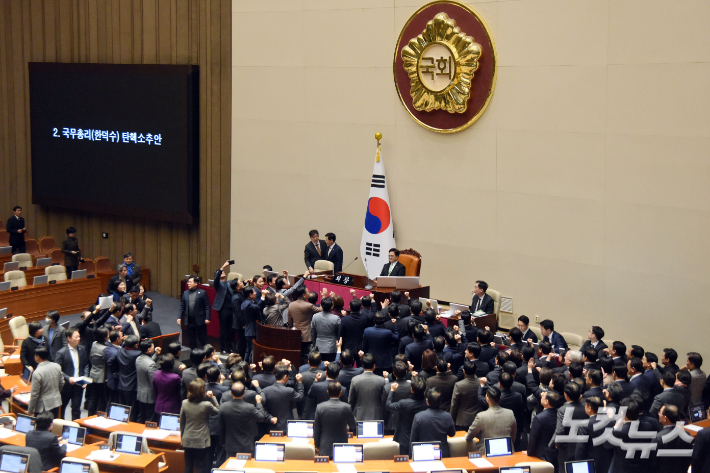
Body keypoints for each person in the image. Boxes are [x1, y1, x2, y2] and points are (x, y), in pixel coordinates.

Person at [218, 382, 275, 458]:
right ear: (244, 392)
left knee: (231, 468)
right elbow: (261, 417)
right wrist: (258, 402)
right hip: (246, 445)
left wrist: (222, 442)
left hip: (230, 445)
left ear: (231, 393)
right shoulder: (249, 407)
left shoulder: (223, 407)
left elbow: (221, 427)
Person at [180, 379, 219, 473]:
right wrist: (213, 397)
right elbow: (218, 410)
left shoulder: (184, 403)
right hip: (201, 440)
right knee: (200, 466)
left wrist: (183, 438)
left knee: (188, 466)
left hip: (188, 439)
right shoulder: (207, 405)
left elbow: (182, 422)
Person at [465, 386, 516, 452]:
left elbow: (469, 437)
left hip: (486, 454)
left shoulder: (481, 416)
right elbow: (513, 437)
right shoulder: (510, 413)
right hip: (507, 451)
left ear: (487, 399)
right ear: (500, 398)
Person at [314, 381, 356, 458]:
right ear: (340, 392)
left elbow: (316, 429)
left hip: (325, 447)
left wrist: (316, 445)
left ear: (328, 392)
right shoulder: (347, 407)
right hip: (341, 446)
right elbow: (353, 425)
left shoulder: (320, 407)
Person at [54, 327, 89, 420]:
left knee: (76, 409)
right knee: (62, 409)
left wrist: (85, 377)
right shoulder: (61, 353)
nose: (78, 339)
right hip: (66, 386)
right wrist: (68, 378)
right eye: (76, 337)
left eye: (79, 336)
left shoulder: (82, 349)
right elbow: (57, 370)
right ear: (69, 338)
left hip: (78, 385)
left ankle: (75, 429)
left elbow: (85, 364)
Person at [410, 388, 456, 457]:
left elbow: (413, 439)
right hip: (442, 454)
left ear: (427, 401)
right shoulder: (447, 416)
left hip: (424, 454)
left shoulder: (418, 417)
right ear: (440, 402)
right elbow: (452, 434)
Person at [553, 382, 588, 472]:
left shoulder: (562, 410)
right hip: (584, 446)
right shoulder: (586, 408)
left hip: (567, 449)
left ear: (566, 395)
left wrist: (558, 445)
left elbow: (560, 431)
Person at [108, 334, 141, 422]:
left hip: (121, 384)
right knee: (132, 410)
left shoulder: (120, 351)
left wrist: (116, 372)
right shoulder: (138, 354)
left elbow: (110, 362)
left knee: (122, 408)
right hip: (132, 387)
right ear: (135, 345)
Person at [261, 365, 304, 432]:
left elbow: (261, 408)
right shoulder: (289, 391)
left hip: (271, 426)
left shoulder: (265, 391)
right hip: (287, 427)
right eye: (288, 376)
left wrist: (269, 417)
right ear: (285, 377)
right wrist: (300, 383)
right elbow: (300, 397)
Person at [654, 405, 693, 473]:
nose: (658, 414)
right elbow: (688, 459)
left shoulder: (658, 438)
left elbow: (653, 462)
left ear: (665, 418)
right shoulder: (687, 435)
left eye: (660, 413)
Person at [28, 346, 64, 416]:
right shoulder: (57, 366)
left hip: (43, 406)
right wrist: (55, 392)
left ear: (37, 357)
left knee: (43, 426)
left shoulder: (37, 373)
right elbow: (62, 383)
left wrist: (30, 409)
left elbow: (34, 394)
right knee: (53, 425)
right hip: (56, 402)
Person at [348, 353, 386, 421]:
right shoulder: (382, 380)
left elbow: (351, 401)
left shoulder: (355, 380)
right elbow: (383, 401)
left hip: (359, 416)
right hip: (376, 416)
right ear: (374, 366)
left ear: (363, 365)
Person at [527, 391, 560, 465]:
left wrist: (529, 452)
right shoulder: (560, 414)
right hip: (557, 453)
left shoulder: (539, 418)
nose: (541, 394)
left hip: (542, 455)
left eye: (543, 396)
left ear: (546, 401)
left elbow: (533, 438)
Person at [178, 276, 211, 349]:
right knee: (191, 340)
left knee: (202, 339)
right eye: (188, 282)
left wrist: (207, 318)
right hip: (189, 320)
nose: (188, 283)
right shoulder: (185, 293)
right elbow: (182, 306)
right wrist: (179, 317)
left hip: (200, 320)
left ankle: (205, 354)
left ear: (196, 283)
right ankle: (194, 354)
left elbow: (207, 306)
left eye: (190, 282)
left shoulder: (202, 293)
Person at [450, 360, 481, 430]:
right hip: (477, 417)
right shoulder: (480, 383)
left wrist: (452, 418)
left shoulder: (459, 385)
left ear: (463, 371)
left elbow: (454, 405)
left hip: (462, 420)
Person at [86, 327, 110, 417]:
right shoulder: (105, 349)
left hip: (93, 373)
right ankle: (100, 417)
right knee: (103, 399)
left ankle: (90, 415)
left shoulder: (94, 344)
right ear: (104, 337)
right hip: (102, 377)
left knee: (94, 397)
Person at [136, 339, 160, 423]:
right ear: (149, 349)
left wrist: (156, 355)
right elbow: (153, 382)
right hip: (149, 396)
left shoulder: (138, 358)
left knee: (141, 416)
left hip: (140, 393)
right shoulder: (151, 365)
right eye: (153, 346)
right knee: (150, 419)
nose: (154, 347)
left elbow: (147, 363)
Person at [311, 297, 340, 362]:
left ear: (321, 306)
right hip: (332, 347)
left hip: (318, 346)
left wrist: (314, 343)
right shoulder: (336, 318)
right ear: (332, 307)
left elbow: (312, 332)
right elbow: (339, 333)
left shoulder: (315, 316)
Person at [241, 287, 266, 363]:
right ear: (250, 295)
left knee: (248, 350)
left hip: (249, 330)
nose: (255, 293)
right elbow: (257, 307)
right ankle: (248, 366)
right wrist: (263, 297)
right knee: (251, 351)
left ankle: (245, 365)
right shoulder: (248, 304)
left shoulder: (247, 302)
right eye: (254, 292)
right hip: (251, 331)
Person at [213, 261, 234, 353]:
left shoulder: (229, 283)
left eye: (223, 272)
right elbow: (216, 279)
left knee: (230, 329)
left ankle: (229, 347)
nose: (223, 273)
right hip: (223, 309)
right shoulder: (217, 284)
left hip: (231, 309)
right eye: (220, 273)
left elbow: (238, 284)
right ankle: (222, 348)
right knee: (223, 329)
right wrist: (223, 267)